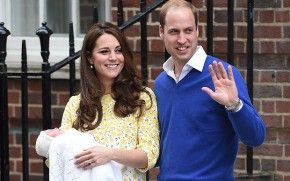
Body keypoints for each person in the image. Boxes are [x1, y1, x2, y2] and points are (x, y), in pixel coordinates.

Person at [154, 0, 266, 180]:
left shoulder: (223, 75)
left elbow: (255, 137)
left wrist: (234, 105)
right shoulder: (161, 83)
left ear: (197, 30)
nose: (182, 40)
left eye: (188, 30)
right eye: (174, 31)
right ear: (161, 32)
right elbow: (163, 149)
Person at [35, 22, 159, 181]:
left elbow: (149, 156)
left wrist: (109, 154)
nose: (113, 57)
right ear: (90, 58)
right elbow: (62, 156)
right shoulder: (76, 104)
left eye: (118, 50)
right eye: (104, 51)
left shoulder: (141, 97)